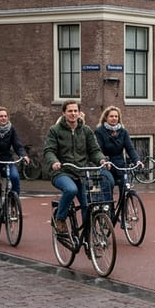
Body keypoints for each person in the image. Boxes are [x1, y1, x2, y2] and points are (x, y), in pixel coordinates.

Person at [43, 100, 113, 234]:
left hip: (81, 172)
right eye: (70, 111)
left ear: (79, 113)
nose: (73, 114)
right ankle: (60, 219)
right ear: (64, 113)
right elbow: (49, 150)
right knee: (70, 190)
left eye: (75, 111)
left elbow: (94, 150)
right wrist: (54, 162)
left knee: (88, 205)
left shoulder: (86, 130)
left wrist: (102, 160)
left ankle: (88, 238)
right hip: (62, 172)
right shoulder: (55, 130)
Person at [94, 106, 142, 218]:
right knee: (109, 182)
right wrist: (104, 161)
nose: (114, 118)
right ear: (106, 117)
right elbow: (98, 149)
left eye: (116, 116)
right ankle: (109, 211)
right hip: (106, 165)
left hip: (120, 165)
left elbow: (130, 149)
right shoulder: (99, 131)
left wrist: (137, 160)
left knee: (126, 187)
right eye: (111, 116)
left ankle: (124, 214)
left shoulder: (123, 132)